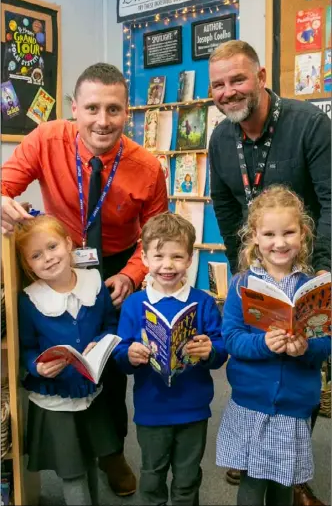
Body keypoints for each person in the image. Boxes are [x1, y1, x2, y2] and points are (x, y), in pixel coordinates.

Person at [1, 62, 168, 495]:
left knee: (108, 362)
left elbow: (156, 236)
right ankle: (65, 449)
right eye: (92, 107)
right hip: (57, 257)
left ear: (127, 113)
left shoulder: (147, 167)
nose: (102, 120)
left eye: (114, 109)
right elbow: (5, 184)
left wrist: (133, 274)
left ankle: (111, 452)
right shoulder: (45, 139)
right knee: (56, 351)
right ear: (75, 108)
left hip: (115, 265)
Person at [216, 185, 331, 506]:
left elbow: (325, 344)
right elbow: (233, 340)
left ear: (303, 233)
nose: (279, 243)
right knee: (252, 488)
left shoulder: (313, 288)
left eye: (289, 232)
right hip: (252, 404)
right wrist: (266, 343)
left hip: (294, 408)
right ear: (253, 236)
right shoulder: (242, 285)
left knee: (284, 488)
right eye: (269, 234)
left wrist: (305, 347)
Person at [113, 212, 228, 506]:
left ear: (190, 259)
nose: (168, 265)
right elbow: (120, 353)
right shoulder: (134, 304)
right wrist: (130, 354)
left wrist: (210, 350)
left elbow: (220, 348)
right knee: (151, 475)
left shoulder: (203, 302)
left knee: (188, 476)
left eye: (177, 256)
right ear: (146, 258)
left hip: (193, 408)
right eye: (159, 255)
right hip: (151, 408)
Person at [15, 214, 122, 506]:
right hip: (55, 401)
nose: (47, 258)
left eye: (52, 247)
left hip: (91, 393)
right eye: (36, 255)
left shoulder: (94, 282)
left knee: (89, 461)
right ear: (28, 264)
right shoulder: (29, 300)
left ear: (68, 243)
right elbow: (24, 348)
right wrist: (36, 365)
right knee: (71, 473)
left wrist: (100, 344)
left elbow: (110, 325)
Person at [208, 40, 331, 278]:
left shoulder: (310, 125)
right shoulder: (220, 139)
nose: (228, 92)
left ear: (261, 77)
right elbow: (226, 211)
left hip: (314, 273)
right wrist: (239, 270)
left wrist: (324, 268)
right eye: (218, 85)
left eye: (238, 80)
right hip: (257, 276)